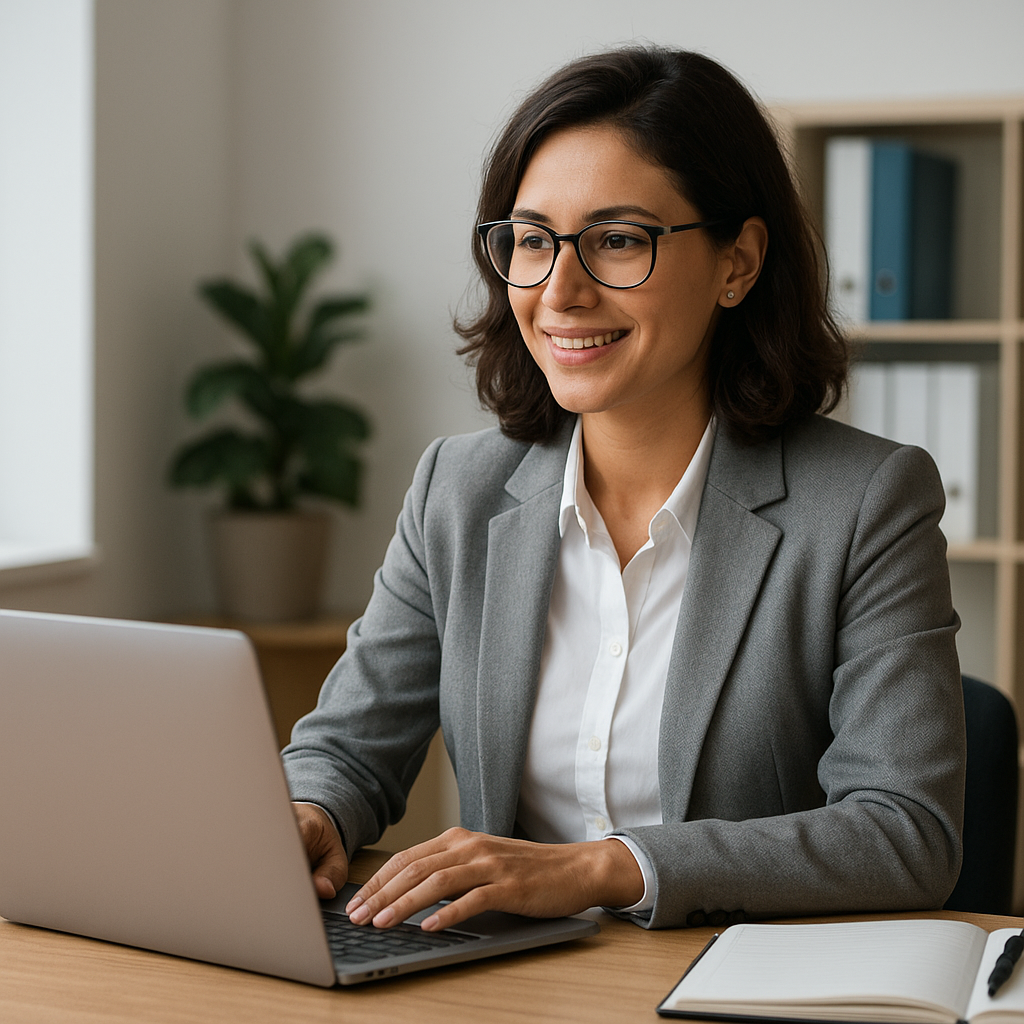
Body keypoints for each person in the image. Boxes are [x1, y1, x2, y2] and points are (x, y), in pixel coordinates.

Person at [282, 46, 964, 932]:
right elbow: (346, 746)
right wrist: (314, 814)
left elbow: (905, 833)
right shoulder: (458, 488)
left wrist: (608, 869)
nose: (560, 291)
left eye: (617, 240)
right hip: (502, 987)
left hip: (732, 987)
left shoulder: (868, 502)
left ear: (738, 263)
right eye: (533, 240)